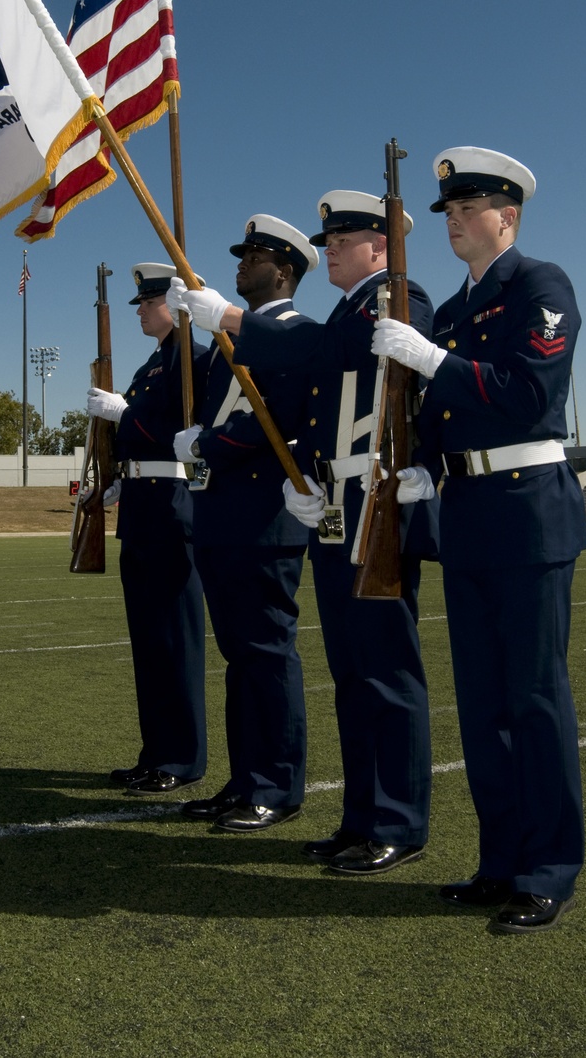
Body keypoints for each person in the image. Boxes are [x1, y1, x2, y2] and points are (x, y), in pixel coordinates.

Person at [171, 192, 435, 875]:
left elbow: (328, 355)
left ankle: (398, 822)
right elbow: (321, 390)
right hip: (334, 499)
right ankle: (360, 818)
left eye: (343, 240)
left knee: (385, 671)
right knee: (350, 673)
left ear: (380, 247)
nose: (331, 251)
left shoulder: (397, 297)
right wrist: (309, 476)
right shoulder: (352, 308)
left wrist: (229, 319)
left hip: (376, 496)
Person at [372, 147, 586, 933]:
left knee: (534, 700)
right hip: (466, 514)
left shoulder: (539, 284)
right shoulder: (459, 311)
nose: (457, 222)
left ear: (510, 215)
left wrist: (434, 359)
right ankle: (499, 861)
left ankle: (549, 869)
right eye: (449, 213)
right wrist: (422, 465)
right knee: (483, 707)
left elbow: (532, 394)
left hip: (529, 512)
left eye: (471, 209)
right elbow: (437, 414)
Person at [170, 216, 318, 832]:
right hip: (221, 511)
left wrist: (210, 445)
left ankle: (277, 786)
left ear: (282, 271)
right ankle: (244, 778)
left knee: (265, 650)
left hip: (264, 516)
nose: (241, 262)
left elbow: (276, 417)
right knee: (239, 655)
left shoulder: (296, 333)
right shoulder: (230, 339)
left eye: (254, 256)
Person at [86, 263, 208, 794]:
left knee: (174, 640)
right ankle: (156, 751)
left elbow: (180, 427)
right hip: (142, 506)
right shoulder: (153, 366)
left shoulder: (194, 360)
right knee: (149, 642)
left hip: (172, 506)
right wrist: (116, 478)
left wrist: (124, 414)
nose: (139, 310)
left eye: (147, 301)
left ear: (174, 304)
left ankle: (181, 757)